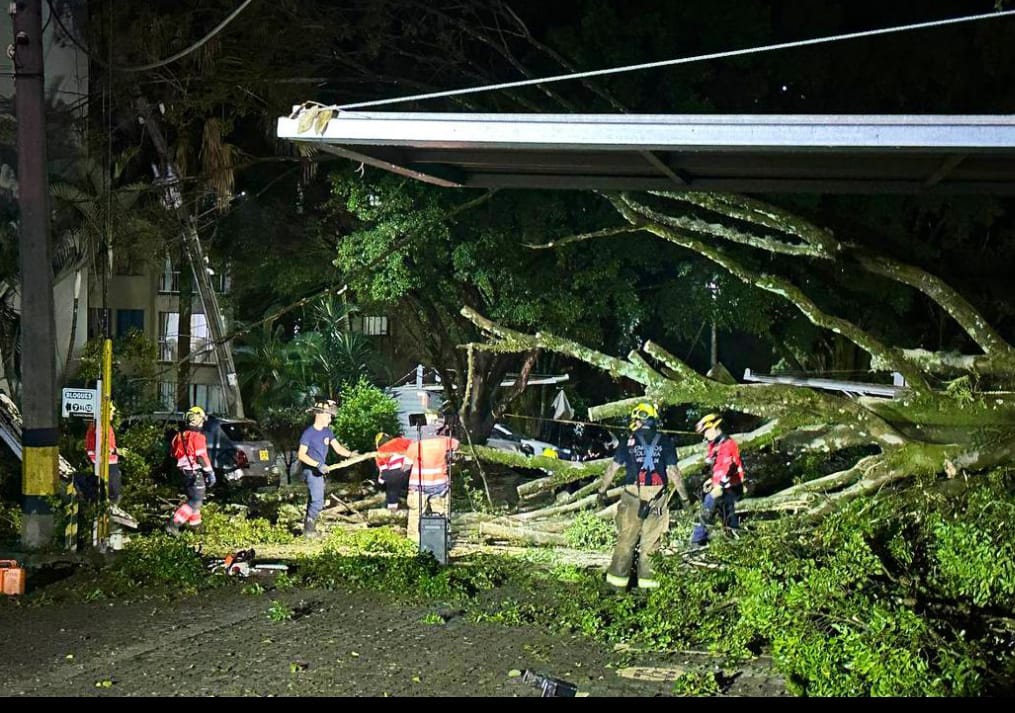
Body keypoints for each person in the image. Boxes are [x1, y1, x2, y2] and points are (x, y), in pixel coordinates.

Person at [596, 402, 689, 590]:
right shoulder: (665, 441)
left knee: (626, 540)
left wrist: (601, 491)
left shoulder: (628, 441)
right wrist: (685, 498)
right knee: (651, 543)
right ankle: (648, 588)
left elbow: (612, 469)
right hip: (657, 497)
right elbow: (674, 472)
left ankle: (616, 587)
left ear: (639, 419)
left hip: (632, 496)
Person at [297, 400, 356, 539]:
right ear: (320, 415)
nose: (330, 419)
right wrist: (317, 465)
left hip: (320, 471)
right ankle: (309, 531)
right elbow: (301, 455)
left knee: (315, 499)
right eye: (328, 415)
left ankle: (308, 528)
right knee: (318, 501)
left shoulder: (327, 432)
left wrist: (351, 454)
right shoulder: (309, 433)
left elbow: (338, 448)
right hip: (311, 471)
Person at [690, 413, 746, 547]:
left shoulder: (728, 444)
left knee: (708, 507)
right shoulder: (716, 445)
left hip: (730, 486)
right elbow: (718, 466)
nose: (705, 435)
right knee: (728, 517)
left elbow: (728, 467)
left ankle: (697, 542)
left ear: (715, 428)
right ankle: (736, 541)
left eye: (707, 431)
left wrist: (719, 486)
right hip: (723, 485)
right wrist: (712, 480)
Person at [405, 418, 459, 545]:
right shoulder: (444, 442)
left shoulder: (415, 446)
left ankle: (414, 541)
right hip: (440, 484)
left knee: (415, 514)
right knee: (441, 512)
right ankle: (444, 538)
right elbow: (456, 444)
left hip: (419, 485)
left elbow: (406, 466)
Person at [166, 406, 216, 534]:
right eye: (202, 420)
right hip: (194, 472)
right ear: (196, 420)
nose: (203, 423)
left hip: (183, 473)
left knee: (193, 499)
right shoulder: (197, 437)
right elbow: (201, 457)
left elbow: (173, 454)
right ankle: (174, 524)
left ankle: (196, 527)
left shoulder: (179, 436)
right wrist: (209, 472)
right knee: (195, 501)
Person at [83, 402, 122, 506]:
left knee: (108, 489)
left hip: (104, 461)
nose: (113, 413)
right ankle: (107, 509)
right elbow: (101, 446)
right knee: (112, 491)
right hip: (105, 461)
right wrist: (116, 451)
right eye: (111, 410)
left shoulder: (101, 425)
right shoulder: (101, 426)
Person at [374, 432, 413, 512]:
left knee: (392, 490)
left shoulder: (379, 452)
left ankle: (392, 511)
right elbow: (414, 446)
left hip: (393, 474)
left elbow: (382, 471)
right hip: (410, 469)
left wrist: (380, 482)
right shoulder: (399, 441)